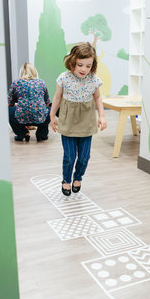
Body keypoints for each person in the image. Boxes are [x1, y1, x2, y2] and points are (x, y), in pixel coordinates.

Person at [50, 42, 107, 196]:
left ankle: (78, 177)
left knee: (84, 157)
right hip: (68, 120)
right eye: (80, 64)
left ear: (92, 65)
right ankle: (66, 180)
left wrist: (101, 115)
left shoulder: (93, 80)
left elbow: (98, 97)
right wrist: (52, 116)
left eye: (88, 66)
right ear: (73, 61)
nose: (83, 69)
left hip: (86, 121)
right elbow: (57, 98)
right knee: (69, 156)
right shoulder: (64, 78)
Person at [8, 63, 50, 142]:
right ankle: (41, 134)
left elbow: (9, 103)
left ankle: (22, 133)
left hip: (21, 117)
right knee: (49, 110)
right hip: (40, 117)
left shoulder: (16, 83)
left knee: (8, 110)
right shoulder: (41, 82)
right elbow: (47, 102)